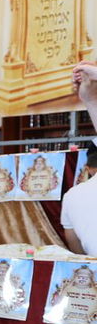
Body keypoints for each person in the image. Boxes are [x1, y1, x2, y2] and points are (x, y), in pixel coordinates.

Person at [61, 62, 97, 255]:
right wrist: (90, 99)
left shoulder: (73, 196)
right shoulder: (75, 196)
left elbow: (77, 251)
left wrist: (90, 99)